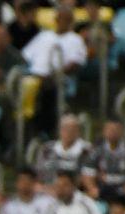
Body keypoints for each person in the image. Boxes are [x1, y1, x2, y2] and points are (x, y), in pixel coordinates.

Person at [21, 6, 85, 134]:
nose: (60, 21)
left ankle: (44, 130)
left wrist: (55, 74)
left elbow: (75, 63)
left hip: (56, 78)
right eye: (59, 18)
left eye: (65, 19)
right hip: (33, 75)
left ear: (71, 21)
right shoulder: (44, 35)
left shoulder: (75, 39)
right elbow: (25, 56)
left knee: (47, 89)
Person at [82, 120, 125, 203]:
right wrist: (92, 188)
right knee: (88, 196)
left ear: (122, 131)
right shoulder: (96, 148)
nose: (113, 132)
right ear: (104, 131)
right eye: (110, 129)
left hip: (123, 190)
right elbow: (87, 172)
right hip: (101, 189)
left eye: (116, 129)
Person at [35, 115, 92, 186]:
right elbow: (38, 174)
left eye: (73, 130)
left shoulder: (86, 150)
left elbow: (87, 178)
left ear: (78, 132)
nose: (69, 132)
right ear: (60, 130)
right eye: (65, 128)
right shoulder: (47, 149)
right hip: (47, 191)